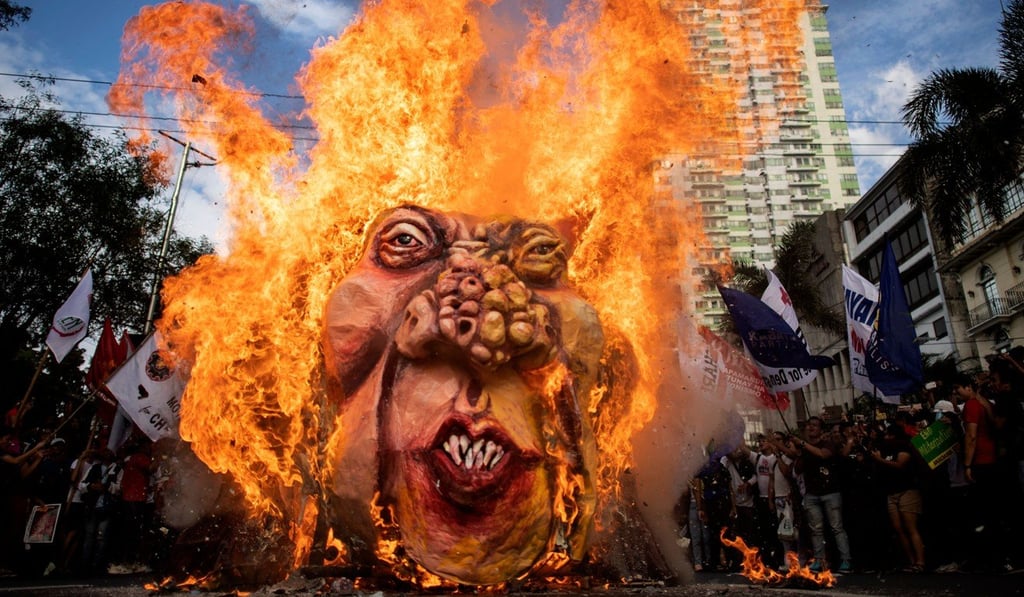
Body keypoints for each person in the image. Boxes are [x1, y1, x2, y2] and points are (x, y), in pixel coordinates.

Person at [786, 416, 852, 573]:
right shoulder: (805, 447)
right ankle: (819, 559)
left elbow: (823, 454)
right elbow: (798, 468)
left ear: (822, 430)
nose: (811, 428)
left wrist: (802, 443)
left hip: (830, 492)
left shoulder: (828, 443)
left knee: (836, 527)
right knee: (815, 529)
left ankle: (845, 560)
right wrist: (798, 451)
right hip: (812, 493)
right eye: (809, 425)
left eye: (815, 425)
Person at [871, 424, 926, 572]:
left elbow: (900, 465)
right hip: (891, 492)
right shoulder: (884, 449)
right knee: (898, 528)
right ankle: (911, 561)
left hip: (906, 490)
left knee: (910, 527)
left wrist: (879, 460)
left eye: (889, 435)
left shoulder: (904, 447)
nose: (887, 438)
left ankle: (920, 562)